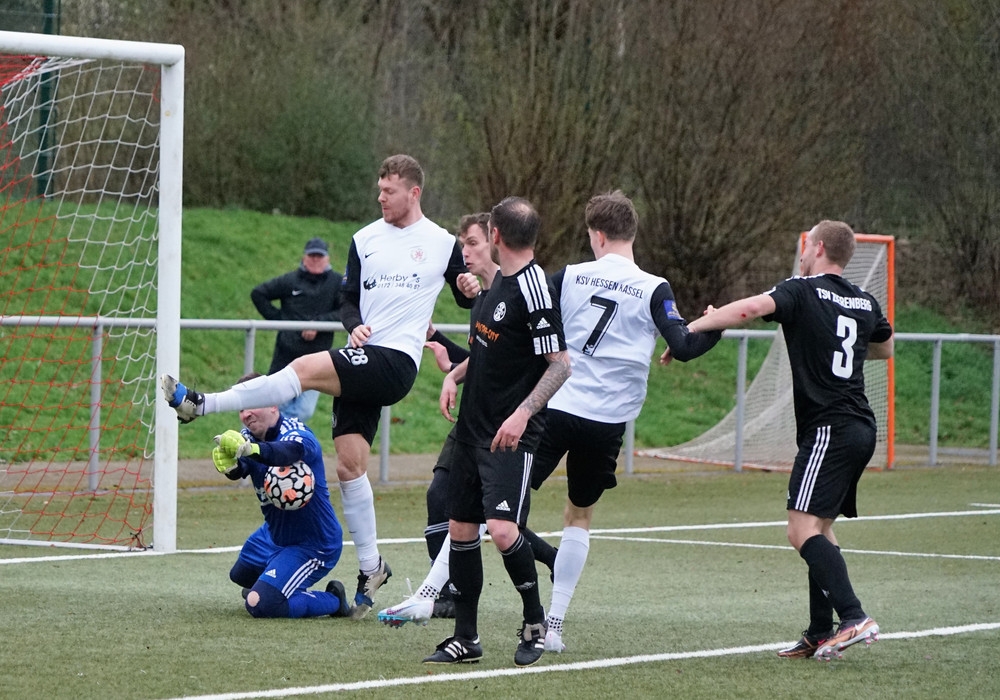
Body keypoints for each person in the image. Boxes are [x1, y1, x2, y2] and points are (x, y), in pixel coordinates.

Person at [162, 154, 476, 619]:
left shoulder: (442, 242)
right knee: (349, 466)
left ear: (414, 193)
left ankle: (201, 403)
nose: (380, 197)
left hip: (395, 361)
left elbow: (464, 294)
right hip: (364, 355)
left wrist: (469, 288)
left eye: (389, 190)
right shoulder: (364, 239)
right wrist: (353, 324)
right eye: (379, 189)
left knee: (304, 368)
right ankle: (371, 567)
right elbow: (346, 300)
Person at [671, 219, 893, 661]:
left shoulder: (802, 289)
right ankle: (819, 631)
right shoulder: (864, 300)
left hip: (830, 427)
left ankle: (854, 616)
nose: (803, 253)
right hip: (860, 427)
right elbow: (885, 348)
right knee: (821, 528)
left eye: (807, 245)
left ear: (818, 247)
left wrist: (696, 325)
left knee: (800, 529)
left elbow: (751, 308)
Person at [529, 190, 721, 653]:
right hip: (608, 421)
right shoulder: (655, 287)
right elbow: (685, 345)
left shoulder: (569, 275)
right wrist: (715, 324)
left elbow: (528, 319)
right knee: (579, 515)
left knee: (500, 502)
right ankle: (554, 627)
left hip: (557, 406)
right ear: (631, 234)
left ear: (596, 235)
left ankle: (439, 592)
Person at [421, 196, 570, 668]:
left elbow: (560, 365)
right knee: (461, 530)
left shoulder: (535, 289)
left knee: (504, 531)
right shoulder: (497, 281)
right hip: (472, 430)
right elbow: (490, 354)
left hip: (510, 435)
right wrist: (454, 375)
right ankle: (466, 637)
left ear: (497, 236)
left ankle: (534, 623)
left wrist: (523, 413)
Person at [212, 372, 352, 619]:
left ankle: (334, 601)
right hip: (273, 536)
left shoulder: (297, 433)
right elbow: (243, 468)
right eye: (241, 408)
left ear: (273, 404)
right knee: (240, 575)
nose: (246, 414)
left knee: (259, 604)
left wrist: (251, 450)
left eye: (252, 404)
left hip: (313, 544)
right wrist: (231, 467)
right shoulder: (248, 438)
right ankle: (277, 585)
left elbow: (287, 452)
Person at [250, 236, 342, 421]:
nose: (315, 260)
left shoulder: (336, 282)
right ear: (304, 257)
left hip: (317, 359)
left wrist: (318, 324)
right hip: (286, 355)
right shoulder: (291, 280)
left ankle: (278, 431)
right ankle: (266, 435)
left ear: (327, 259)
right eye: (312, 256)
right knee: (275, 404)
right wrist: (281, 321)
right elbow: (259, 293)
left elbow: (346, 310)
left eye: (319, 256)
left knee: (304, 411)